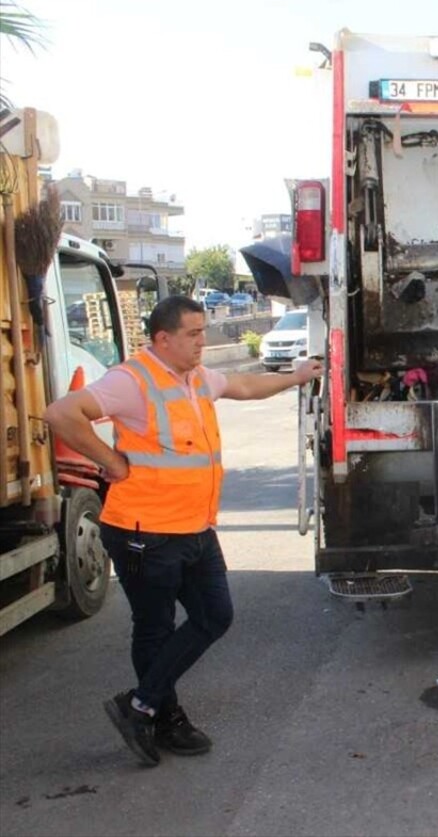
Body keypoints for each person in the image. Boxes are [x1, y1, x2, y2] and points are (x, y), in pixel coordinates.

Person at [43, 295, 322, 767]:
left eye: (203, 331)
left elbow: (244, 386)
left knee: (215, 616)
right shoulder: (130, 381)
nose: (203, 342)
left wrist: (296, 377)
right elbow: (61, 413)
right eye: (193, 334)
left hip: (194, 526)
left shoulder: (196, 377)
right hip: (144, 531)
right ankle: (164, 716)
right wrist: (108, 460)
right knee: (154, 628)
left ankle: (141, 705)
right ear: (163, 338)